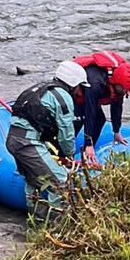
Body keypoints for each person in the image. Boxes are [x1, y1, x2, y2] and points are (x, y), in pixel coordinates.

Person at [6, 60, 88, 213]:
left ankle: (35, 220)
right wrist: (69, 155)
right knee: (61, 181)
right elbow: (66, 133)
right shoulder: (63, 97)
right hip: (27, 143)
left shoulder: (40, 89)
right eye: (79, 87)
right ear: (73, 83)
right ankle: (57, 224)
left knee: (33, 182)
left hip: (13, 139)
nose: (79, 91)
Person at [72, 49, 130, 169]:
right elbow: (90, 112)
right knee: (79, 119)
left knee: (100, 120)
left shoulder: (119, 86)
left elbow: (117, 106)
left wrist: (116, 131)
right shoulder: (96, 84)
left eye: (127, 91)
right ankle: (67, 154)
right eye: (123, 90)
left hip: (89, 96)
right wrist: (89, 144)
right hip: (76, 93)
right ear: (117, 82)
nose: (125, 92)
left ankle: (86, 153)